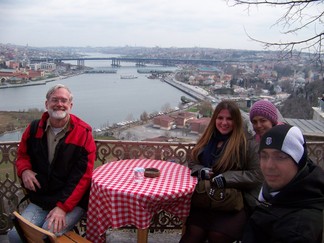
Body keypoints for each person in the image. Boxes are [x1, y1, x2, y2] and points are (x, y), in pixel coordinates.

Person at [8, 84, 96, 242]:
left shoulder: (83, 133)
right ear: (46, 103)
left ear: (70, 105)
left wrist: (63, 207)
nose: (59, 104)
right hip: (42, 199)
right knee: (15, 235)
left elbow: (82, 177)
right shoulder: (34, 128)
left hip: (71, 202)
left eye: (64, 100)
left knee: (45, 234)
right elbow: (22, 155)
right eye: (55, 99)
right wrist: (25, 170)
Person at [180, 100, 263, 243]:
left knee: (217, 236)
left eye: (229, 119)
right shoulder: (208, 139)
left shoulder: (247, 144)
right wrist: (201, 171)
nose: (224, 123)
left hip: (233, 204)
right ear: (215, 119)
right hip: (205, 201)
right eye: (220, 118)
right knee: (193, 235)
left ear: (236, 120)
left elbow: (257, 175)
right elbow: (193, 160)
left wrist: (226, 178)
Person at [242, 124, 324, 243]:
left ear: (298, 161)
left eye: (280, 157)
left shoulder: (297, 229)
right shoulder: (278, 195)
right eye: (264, 156)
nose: (269, 166)